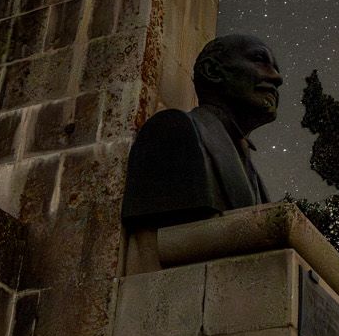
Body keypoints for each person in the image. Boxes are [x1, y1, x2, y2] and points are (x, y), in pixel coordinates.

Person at [120, 33, 280, 230]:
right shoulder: (174, 132)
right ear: (212, 70)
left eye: (275, 68)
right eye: (259, 60)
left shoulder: (250, 166)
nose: (276, 78)